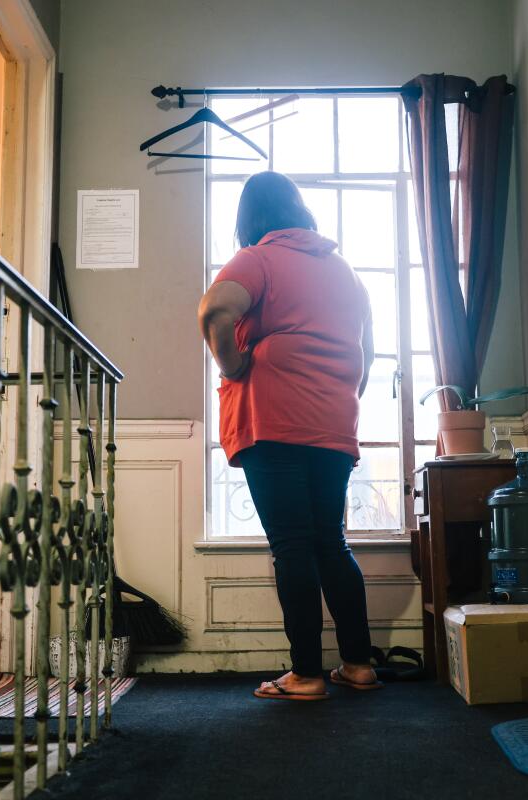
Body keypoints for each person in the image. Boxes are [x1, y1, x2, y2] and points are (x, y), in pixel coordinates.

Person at [197, 171, 381, 700]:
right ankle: (359, 665)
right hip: (333, 422)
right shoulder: (344, 271)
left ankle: (305, 674)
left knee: (293, 545)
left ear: (248, 219)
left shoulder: (259, 258)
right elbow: (365, 354)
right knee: (331, 542)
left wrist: (233, 368)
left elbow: (214, 310)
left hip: (273, 420)